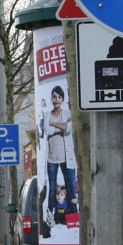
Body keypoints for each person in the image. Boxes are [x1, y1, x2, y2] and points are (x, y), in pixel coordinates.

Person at [44, 85, 77, 215]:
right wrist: (62, 127)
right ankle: (50, 213)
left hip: (67, 157)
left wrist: (55, 125)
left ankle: (73, 214)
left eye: (59, 97)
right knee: (52, 187)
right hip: (52, 157)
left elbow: (69, 128)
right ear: (51, 99)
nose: (56, 99)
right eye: (54, 96)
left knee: (71, 187)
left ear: (62, 99)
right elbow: (47, 130)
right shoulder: (47, 115)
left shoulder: (67, 113)